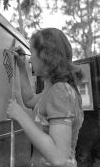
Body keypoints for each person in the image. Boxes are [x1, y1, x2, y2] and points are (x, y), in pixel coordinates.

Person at [6, 28, 84, 167]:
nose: (30, 59)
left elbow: (58, 157)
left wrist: (21, 116)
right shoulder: (54, 89)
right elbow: (30, 100)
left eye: (32, 53)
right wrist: (22, 68)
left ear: (45, 56)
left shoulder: (60, 91)